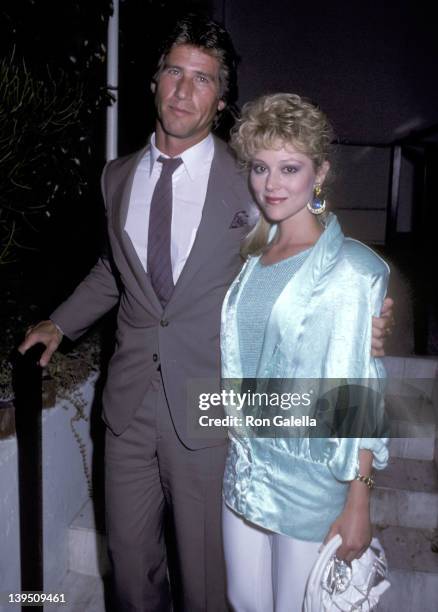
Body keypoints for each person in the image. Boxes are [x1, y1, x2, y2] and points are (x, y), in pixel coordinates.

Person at [18, 15, 393, 612]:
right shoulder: (115, 178)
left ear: (220, 100)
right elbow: (114, 271)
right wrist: (58, 323)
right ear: (154, 81)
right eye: (174, 72)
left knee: (209, 582)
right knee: (132, 570)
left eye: (203, 79)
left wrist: (362, 311)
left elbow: (303, 245)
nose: (184, 90)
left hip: (213, 408)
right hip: (128, 406)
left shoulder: (249, 181)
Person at [220, 92, 390, 612]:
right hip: (244, 471)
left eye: (289, 168)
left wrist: (359, 497)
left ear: (319, 173)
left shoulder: (355, 270)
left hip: (310, 481)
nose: (271, 184)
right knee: (243, 603)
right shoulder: (253, 258)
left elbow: (360, 390)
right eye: (260, 167)